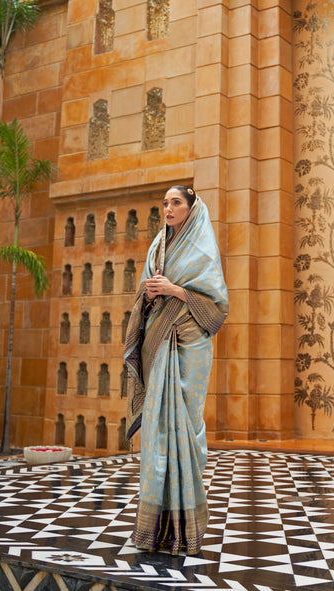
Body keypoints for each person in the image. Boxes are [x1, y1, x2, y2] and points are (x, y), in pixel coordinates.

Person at [124, 185, 228, 556]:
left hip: (190, 347)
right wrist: (150, 295)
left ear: (191, 207)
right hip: (158, 344)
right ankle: (155, 530)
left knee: (185, 427)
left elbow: (217, 307)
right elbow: (143, 296)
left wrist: (175, 289)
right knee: (157, 431)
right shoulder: (157, 247)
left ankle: (185, 530)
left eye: (176, 202)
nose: (167, 208)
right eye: (165, 203)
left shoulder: (201, 247)